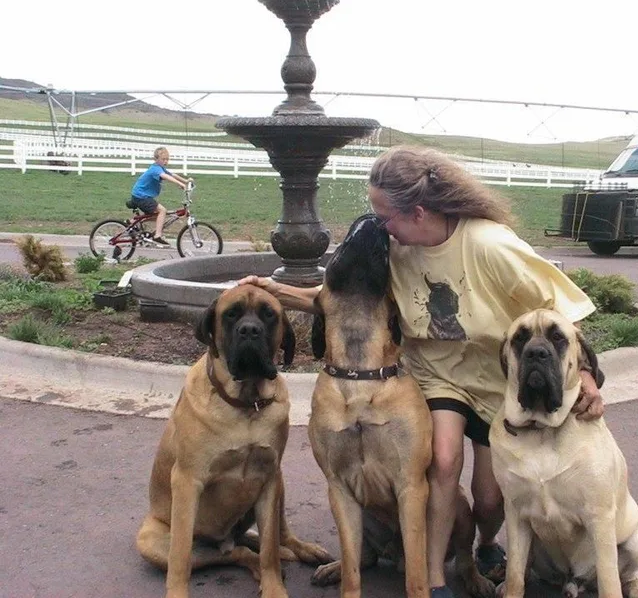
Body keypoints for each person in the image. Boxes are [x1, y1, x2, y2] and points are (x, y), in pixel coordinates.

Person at [239, 145, 604, 598]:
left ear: (416, 212)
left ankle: (485, 542)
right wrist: (274, 289)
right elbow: (337, 299)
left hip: (496, 385)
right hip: (437, 376)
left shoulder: (489, 245)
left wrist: (585, 375)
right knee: (443, 462)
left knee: (490, 500)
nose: (380, 227)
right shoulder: (398, 248)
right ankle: (432, 581)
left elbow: (563, 310)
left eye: (384, 216)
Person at [130, 147, 191, 245]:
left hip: (142, 196)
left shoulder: (160, 168)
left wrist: (185, 181)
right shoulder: (155, 169)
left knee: (159, 216)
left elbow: (171, 175)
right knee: (162, 211)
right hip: (141, 196)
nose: (166, 161)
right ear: (156, 159)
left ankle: (133, 222)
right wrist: (180, 184)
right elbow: (165, 176)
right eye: (163, 159)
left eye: (167, 159)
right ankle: (157, 236)